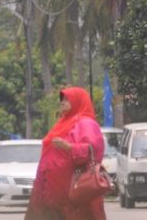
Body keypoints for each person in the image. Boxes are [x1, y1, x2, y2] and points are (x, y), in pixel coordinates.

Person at [25, 87, 106, 220]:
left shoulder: (86, 123)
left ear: (78, 101)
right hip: (53, 193)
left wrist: (69, 147)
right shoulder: (63, 122)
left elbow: (94, 149)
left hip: (74, 192)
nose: (62, 102)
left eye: (67, 99)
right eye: (62, 99)